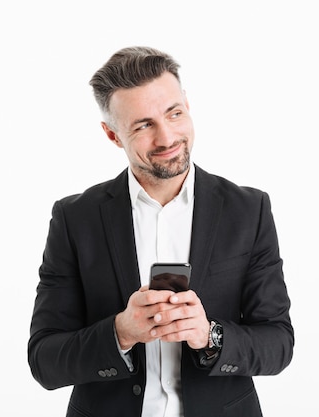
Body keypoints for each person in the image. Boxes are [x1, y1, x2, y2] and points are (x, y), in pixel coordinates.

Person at [28, 46, 294, 417]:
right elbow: (44, 360)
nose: (167, 137)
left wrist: (208, 336)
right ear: (112, 134)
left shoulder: (249, 210)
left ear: (187, 103)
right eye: (143, 125)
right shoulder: (75, 218)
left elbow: (278, 343)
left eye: (174, 113)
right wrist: (120, 332)